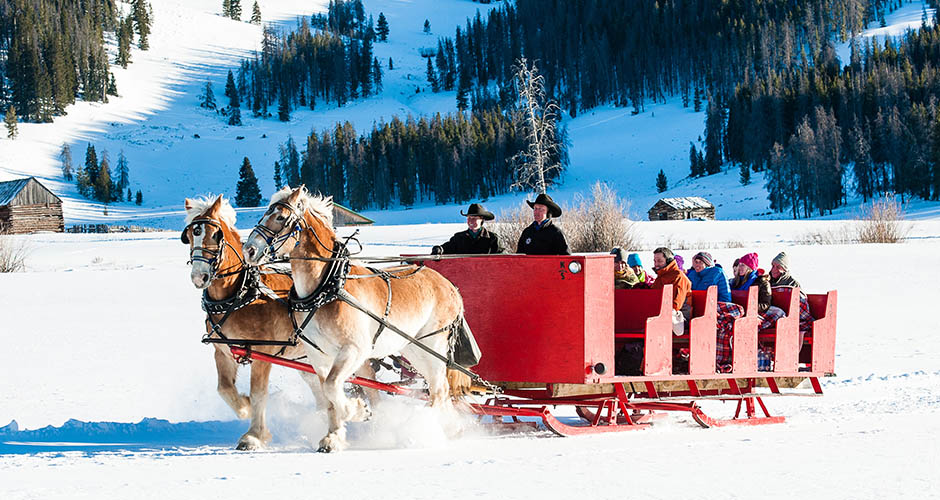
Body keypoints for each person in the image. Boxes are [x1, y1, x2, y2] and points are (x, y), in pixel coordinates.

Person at [689, 251, 743, 372]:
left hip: (716, 305)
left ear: (707, 263)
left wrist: (713, 305)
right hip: (698, 306)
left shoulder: (717, 273)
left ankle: (719, 360)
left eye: (700, 262)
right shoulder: (692, 275)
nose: (697, 265)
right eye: (695, 262)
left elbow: (725, 296)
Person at [649, 247, 691, 335]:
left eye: (659, 261)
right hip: (662, 314)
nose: (656, 264)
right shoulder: (661, 276)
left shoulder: (678, 277)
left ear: (668, 261)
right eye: (655, 261)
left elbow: (676, 304)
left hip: (680, 317)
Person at [768, 251, 814, 332]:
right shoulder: (767, 281)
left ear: (784, 269)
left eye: (778, 267)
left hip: (789, 317)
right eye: (773, 266)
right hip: (773, 316)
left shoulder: (792, 283)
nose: (774, 269)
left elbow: (800, 304)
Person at [432, 203, 502, 255]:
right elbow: (446, 248)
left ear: (481, 220)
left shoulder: (493, 239)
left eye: (474, 218)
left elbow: (502, 258)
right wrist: (439, 249)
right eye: (469, 218)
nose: (470, 221)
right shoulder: (459, 238)